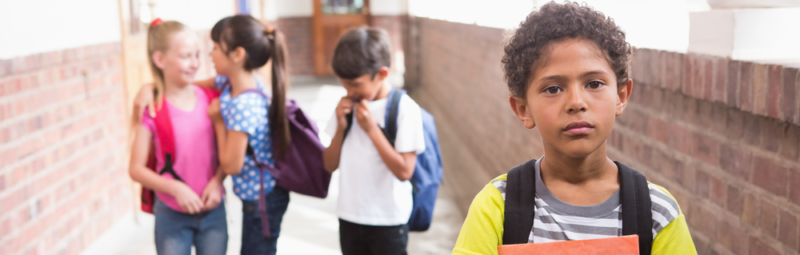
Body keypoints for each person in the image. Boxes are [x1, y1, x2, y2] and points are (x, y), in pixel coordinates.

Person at [451, 2, 696, 255]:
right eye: (553, 88)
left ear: (621, 96)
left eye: (594, 83)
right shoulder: (497, 208)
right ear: (523, 109)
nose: (576, 102)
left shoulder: (657, 214)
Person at [322, 27, 426, 255]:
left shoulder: (405, 109)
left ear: (382, 74)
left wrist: (372, 130)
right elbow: (329, 164)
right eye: (343, 83)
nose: (349, 90)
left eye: (356, 84)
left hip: (389, 221)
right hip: (349, 216)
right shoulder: (346, 106)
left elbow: (405, 171)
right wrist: (340, 128)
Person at [128, 19, 227, 255]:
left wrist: (217, 182)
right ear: (160, 59)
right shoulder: (152, 108)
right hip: (171, 214)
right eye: (185, 56)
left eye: (197, 55)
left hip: (213, 209)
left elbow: (227, 152)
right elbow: (136, 169)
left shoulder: (213, 99)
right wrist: (175, 189)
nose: (194, 64)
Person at [205, 15, 292, 255]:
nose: (210, 54)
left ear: (237, 55)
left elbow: (232, 165)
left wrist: (218, 122)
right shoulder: (239, 81)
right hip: (258, 195)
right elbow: (210, 81)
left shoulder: (244, 105)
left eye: (215, 48)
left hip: (262, 200)